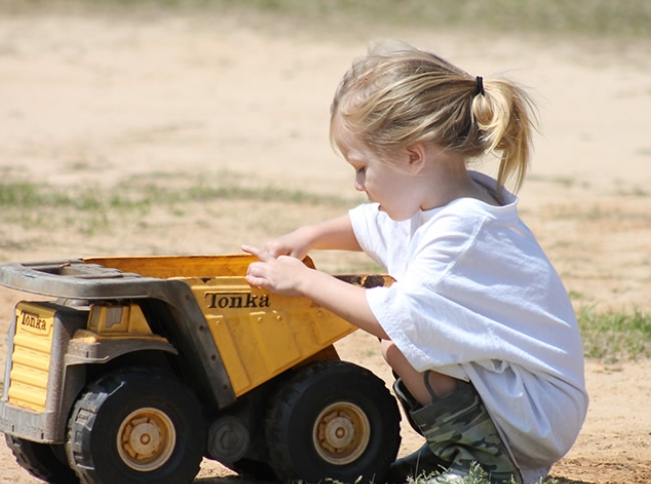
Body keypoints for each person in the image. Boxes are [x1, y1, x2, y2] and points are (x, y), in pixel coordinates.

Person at [241, 40, 588, 484]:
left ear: (412, 155)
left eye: (362, 167)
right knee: (402, 345)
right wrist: (303, 237)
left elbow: (397, 314)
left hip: (534, 410)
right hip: (523, 398)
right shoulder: (446, 200)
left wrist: (306, 282)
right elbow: (369, 225)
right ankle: (456, 452)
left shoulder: (460, 231)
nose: (358, 183)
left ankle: (486, 468)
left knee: (401, 339)